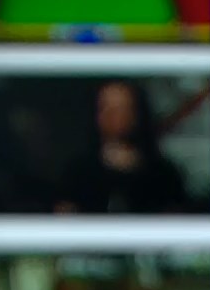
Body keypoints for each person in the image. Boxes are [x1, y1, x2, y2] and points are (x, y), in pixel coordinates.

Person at [54, 80, 190, 214]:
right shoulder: (77, 173)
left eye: (122, 108)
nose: (113, 115)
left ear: (137, 113)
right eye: (106, 108)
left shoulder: (164, 176)